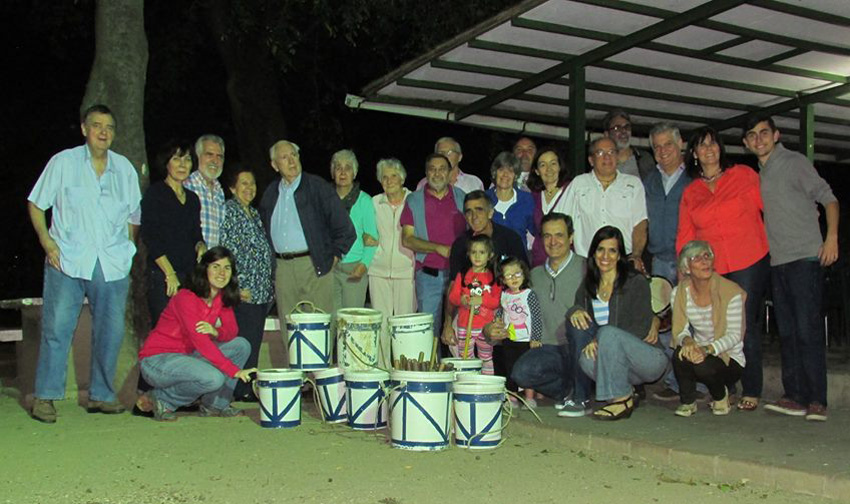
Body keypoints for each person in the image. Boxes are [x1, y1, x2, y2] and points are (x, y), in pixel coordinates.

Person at [28, 104, 141, 423]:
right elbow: (36, 204)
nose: (103, 132)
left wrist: (128, 248)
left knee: (111, 330)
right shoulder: (63, 162)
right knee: (57, 329)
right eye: (96, 125)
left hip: (111, 263)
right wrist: (47, 242)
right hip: (68, 259)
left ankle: (102, 395)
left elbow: (134, 215)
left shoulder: (125, 169)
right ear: (84, 129)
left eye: (109, 127)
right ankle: (46, 397)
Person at [743, 114, 839, 422]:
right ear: (746, 143)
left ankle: (817, 400)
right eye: (753, 136)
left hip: (805, 259)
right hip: (778, 262)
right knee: (787, 331)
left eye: (764, 133)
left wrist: (832, 238)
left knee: (807, 330)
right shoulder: (761, 173)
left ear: (776, 134)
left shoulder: (794, 162)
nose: (759, 139)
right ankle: (795, 396)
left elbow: (829, 199)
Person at [677, 126, 769, 412]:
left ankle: (752, 388)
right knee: (715, 327)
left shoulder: (743, 175)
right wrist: (684, 275)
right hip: (712, 268)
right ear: (694, 153)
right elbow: (685, 236)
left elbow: (772, 206)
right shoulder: (691, 192)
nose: (708, 149)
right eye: (702, 145)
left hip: (749, 259)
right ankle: (724, 387)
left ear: (720, 148)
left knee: (744, 326)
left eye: (713, 143)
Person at [259, 140, 356, 363]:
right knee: (289, 324)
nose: (292, 160)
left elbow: (346, 230)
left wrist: (334, 256)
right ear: (275, 165)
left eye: (294, 154)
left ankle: (321, 377)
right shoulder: (271, 193)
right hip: (283, 267)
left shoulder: (317, 187)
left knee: (320, 324)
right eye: (285, 157)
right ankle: (296, 380)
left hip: (314, 265)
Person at [136, 247, 255, 421]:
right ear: (204, 269)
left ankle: (215, 404)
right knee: (212, 378)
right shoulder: (186, 297)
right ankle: (163, 399)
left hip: (187, 356)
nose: (222, 273)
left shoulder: (221, 297)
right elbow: (201, 342)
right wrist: (234, 371)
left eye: (227, 268)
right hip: (158, 360)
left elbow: (231, 332)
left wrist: (215, 331)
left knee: (241, 345)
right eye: (216, 266)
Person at [488, 213, 584, 413]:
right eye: (547, 236)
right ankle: (568, 389)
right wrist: (492, 328)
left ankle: (580, 387)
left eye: (559, 235)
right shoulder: (533, 275)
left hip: (577, 347)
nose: (553, 241)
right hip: (545, 349)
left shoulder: (585, 268)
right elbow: (510, 307)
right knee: (521, 372)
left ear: (571, 237)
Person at [569, 226, 664, 421]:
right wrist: (575, 310)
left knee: (608, 333)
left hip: (647, 356)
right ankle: (627, 391)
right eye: (600, 249)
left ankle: (620, 400)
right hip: (619, 363)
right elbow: (576, 306)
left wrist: (601, 338)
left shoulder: (635, 281)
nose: (606, 256)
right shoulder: (589, 285)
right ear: (593, 253)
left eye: (612, 250)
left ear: (620, 254)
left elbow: (641, 325)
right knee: (586, 359)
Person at [642, 123, 693, 401]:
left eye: (668, 145)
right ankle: (673, 381)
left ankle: (693, 385)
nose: (662, 151)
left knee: (691, 322)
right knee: (663, 324)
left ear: (680, 145)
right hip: (660, 261)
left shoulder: (694, 179)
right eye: (657, 146)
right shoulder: (649, 180)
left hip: (688, 262)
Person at [442, 190, 527, 353]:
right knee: (454, 344)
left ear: (490, 212)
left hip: (506, 307)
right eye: (469, 211)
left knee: (502, 337)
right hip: (469, 309)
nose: (474, 216)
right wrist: (447, 323)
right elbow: (453, 286)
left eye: (479, 210)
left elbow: (525, 281)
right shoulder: (461, 245)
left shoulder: (510, 238)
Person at [670, 241, 745, 417]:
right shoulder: (679, 293)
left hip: (728, 357)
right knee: (680, 354)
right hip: (701, 350)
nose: (705, 261)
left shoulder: (730, 292)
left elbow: (735, 336)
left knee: (703, 364)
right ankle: (688, 401)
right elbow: (679, 330)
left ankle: (720, 396)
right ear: (686, 267)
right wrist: (687, 341)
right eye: (697, 258)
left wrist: (707, 349)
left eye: (707, 256)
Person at [220, 169, 274, 402]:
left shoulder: (253, 212)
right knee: (243, 341)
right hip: (245, 290)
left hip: (261, 290)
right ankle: (238, 387)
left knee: (254, 339)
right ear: (232, 188)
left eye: (252, 183)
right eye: (243, 183)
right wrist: (235, 286)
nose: (249, 188)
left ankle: (248, 385)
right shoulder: (229, 211)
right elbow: (227, 251)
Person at [140, 140, 206, 325]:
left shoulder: (193, 199)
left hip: (188, 276)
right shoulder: (155, 194)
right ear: (166, 163)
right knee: (165, 330)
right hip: (163, 276)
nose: (183, 165)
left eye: (187, 159)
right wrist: (169, 274)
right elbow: (150, 237)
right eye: (177, 159)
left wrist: (201, 245)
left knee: (188, 330)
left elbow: (196, 233)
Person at [401, 153, 467, 332]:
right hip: (429, 276)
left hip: (461, 276)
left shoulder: (462, 198)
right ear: (426, 173)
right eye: (432, 169)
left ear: (450, 172)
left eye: (442, 169)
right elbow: (407, 238)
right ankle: (431, 361)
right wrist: (437, 248)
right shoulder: (414, 200)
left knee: (461, 330)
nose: (437, 174)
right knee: (428, 332)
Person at [562, 137, 648, 270]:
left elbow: (640, 224)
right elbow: (562, 222)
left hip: (623, 261)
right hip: (587, 263)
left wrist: (636, 255)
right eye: (600, 153)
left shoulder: (633, 184)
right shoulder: (579, 184)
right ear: (591, 160)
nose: (607, 157)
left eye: (611, 152)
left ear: (618, 157)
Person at [369, 158, 416, 368]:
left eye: (393, 176)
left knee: (403, 325)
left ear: (402, 178)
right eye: (384, 177)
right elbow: (364, 230)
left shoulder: (414, 200)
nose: (389, 181)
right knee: (381, 324)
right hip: (378, 270)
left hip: (407, 270)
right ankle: (382, 370)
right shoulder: (374, 202)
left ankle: (403, 372)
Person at [330, 149, 378, 310]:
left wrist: (363, 265)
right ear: (332, 172)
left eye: (348, 168)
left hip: (354, 268)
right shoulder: (326, 198)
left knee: (351, 321)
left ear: (354, 173)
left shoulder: (364, 200)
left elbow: (372, 238)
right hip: (330, 267)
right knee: (331, 320)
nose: (343, 172)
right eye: (338, 167)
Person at [447, 235, 502, 374]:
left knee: (486, 357)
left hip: (485, 326)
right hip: (465, 325)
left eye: (482, 252)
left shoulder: (493, 277)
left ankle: (487, 385)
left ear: (490, 255)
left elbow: (496, 301)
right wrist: (462, 300)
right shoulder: (463, 275)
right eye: (473, 252)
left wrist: (482, 300)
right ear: (468, 254)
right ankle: (468, 384)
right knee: (465, 357)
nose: (477, 256)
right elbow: (453, 297)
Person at [497, 256, 543, 408]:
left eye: (517, 274)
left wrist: (535, 337)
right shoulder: (504, 296)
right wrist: (497, 325)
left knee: (528, 368)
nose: (514, 278)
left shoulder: (529, 294)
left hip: (527, 339)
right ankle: (512, 397)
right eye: (509, 276)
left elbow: (536, 316)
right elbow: (500, 313)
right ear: (503, 279)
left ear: (524, 274)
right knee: (510, 368)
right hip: (510, 338)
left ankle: (530, 397)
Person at [526, 147, 572, 266]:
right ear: (536, 171)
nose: (549, 169)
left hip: (566, 259)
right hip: (540, 261)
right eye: (543, 165)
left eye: (553, 163)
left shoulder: (571, 191)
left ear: (559, 166)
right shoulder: (533, 196)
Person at [485, 151, 536, 250]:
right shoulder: (484, 198)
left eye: (510, 171)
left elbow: (537, 231)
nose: (505, 174)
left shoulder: (527, 200)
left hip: (518, 260)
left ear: (516, 176)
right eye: (501, 170)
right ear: (495, 173)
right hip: (490, 259)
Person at [184, 134, 226, 247]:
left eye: (219, 156)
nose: (215, 160)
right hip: (191, 259)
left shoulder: (220, 192)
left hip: (213, 261)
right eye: (209, 154)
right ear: (197, 156)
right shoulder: (186, 185)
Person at [416, 137, 484, 194]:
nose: (445, 156)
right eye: (441, 153)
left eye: (450, 152)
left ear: (460, 157)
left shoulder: (473, 182)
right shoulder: (424, 183)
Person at [602, 109, 656, 180]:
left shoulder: (644, 159)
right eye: (617, 128)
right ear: (607, 135)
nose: (623, 131)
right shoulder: (602, 162)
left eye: (626, 127)